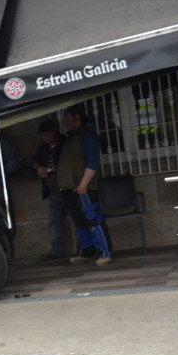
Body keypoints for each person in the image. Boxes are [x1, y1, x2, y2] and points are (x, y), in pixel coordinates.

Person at [58, 104, 112, 266]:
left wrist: (83, 184)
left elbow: (92, 163)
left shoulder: (87, 136)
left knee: (93, 219)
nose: (64, 120)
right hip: (70, 189)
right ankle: (87, 251)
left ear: (77, 117)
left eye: (67, 116)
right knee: (80, 222)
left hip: (83, 189)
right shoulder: (72, 136)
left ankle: (105, 251)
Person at [31, 120, 68, 261]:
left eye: (48, 134)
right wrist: (38, 167)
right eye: (43, 135)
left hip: (68, 189)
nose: (46, 137)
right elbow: (33, 160)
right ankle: (57, 251)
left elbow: (66, 164)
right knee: (55, 221)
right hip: (53, 191)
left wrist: (52, 169)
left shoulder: (66, 143)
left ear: (55, 131)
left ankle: (82, 249)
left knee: (78, 220)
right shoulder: (44, 148)